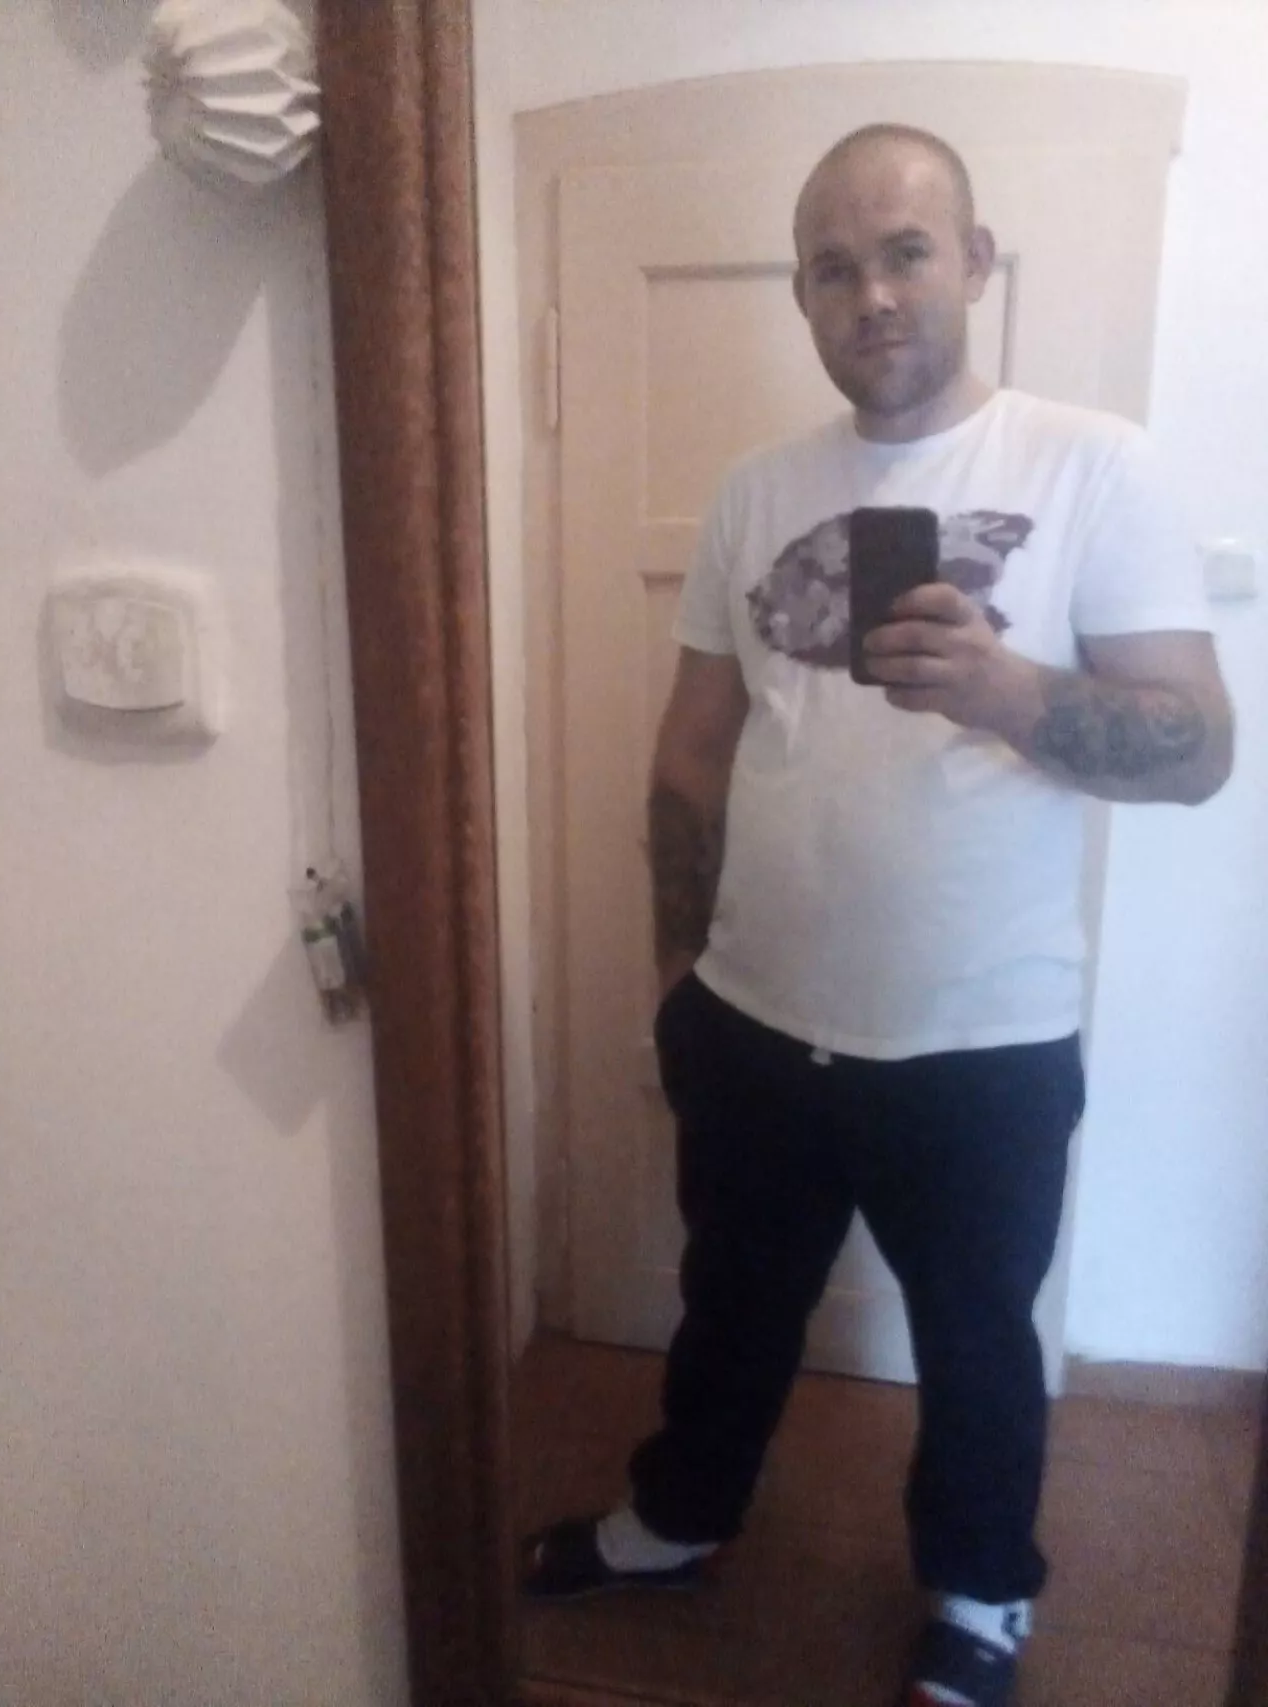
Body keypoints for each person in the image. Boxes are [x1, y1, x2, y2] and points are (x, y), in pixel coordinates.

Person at [522, 123, 1234, 1707]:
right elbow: (693, 751)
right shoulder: (755, 489)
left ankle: (980, 1588)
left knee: (978, 1345)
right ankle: (679, 1517)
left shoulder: (1091, 465)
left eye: (907, 252)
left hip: (984, 1040)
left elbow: (1199, 749)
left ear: (973, 261)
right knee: (729, 1306)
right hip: (753, 1021)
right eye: (834, 267)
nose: (874, 295)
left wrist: (1008, 690)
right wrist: (676, 980)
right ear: (802, 293)